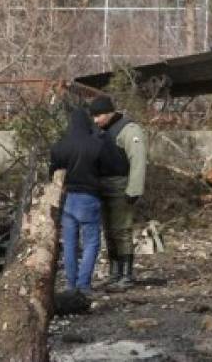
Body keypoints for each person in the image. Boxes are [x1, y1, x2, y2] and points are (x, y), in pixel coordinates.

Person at [49, 107, 118, 294]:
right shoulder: (97, 144)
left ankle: (71, 285)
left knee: (70, 244)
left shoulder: (60, 146)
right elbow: (110, 168)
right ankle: (84, 284)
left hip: (67, 199)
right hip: (90, 198)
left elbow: (53, 171)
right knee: (91, 242)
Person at [90, 95, 148, 290]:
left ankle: (126, 275)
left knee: (122, 230)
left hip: (121, 185)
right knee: (109, 231)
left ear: (110, 112)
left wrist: (134, 190)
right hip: (103, 185)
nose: (96, 120)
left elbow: (138, 161)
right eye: (93, 116)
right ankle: (114, 272)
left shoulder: (129, 129)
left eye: (98, 115)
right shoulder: (102, 131)